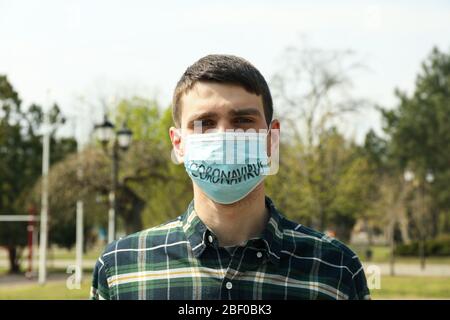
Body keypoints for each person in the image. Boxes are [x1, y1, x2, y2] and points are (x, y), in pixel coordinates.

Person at [90, 54, 370, 300]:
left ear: (272, 139)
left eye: (243, 121)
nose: (224, 135)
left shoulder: (335, 269)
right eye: (205, 123)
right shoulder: (121, 270)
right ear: (178, 143)